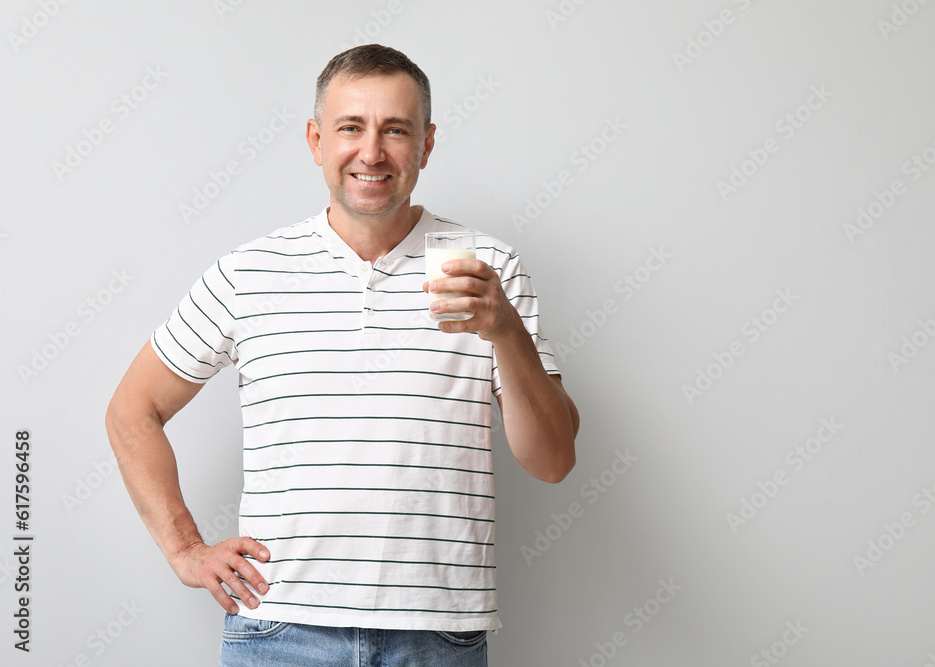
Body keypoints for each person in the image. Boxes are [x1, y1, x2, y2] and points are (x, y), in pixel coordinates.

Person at [105, 44, 579, 666]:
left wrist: (507, 332)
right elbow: (131, 411)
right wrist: (185, 549)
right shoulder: (248, 273)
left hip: (439, 637)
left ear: (427, 144)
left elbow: (553, 462)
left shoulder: (487, 271)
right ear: (316, 140)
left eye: (396, 130)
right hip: (280, 633)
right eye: (351, 127)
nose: (372, 151)